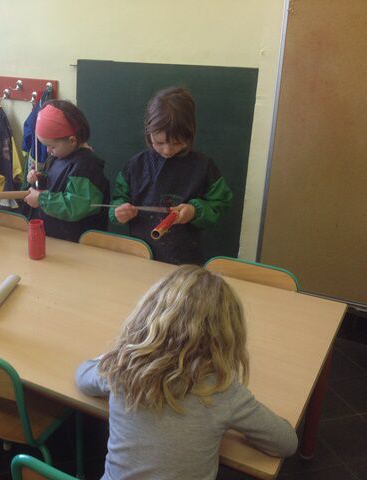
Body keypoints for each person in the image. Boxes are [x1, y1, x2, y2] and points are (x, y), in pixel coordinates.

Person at [76, 265, 298, 480]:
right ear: (226, 336)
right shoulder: (221, 391)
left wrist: (125, 353)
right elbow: (286, 443)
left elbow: (83, 377)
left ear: (148, 315)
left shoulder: (122, 370)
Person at [110, 87, 233, 264]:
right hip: (140, 255)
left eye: (176, 143)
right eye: (159, 142)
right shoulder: (136, 165)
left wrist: (195, 211)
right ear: (149, 132)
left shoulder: (203, 167)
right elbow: (118, 198)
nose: (167, 150)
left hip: (183, 258)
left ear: (189, 135)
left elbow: (220, 203)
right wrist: (119, 211)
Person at [23, 100, 110, 242]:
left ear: (72, 141)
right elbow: (57, 184)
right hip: (57, 237)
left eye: (51, 146)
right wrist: (39, 179)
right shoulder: (59, 155)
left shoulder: (87, 166)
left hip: (79, 243)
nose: (48, 150)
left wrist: (41, 199)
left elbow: (76, 205)